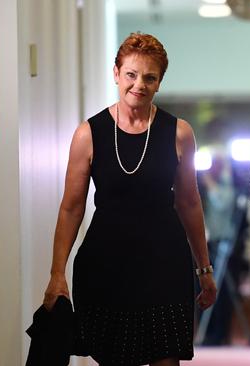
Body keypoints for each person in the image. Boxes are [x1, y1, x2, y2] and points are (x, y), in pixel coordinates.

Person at [42, 32, 217, 366]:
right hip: (106, 265)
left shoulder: (179, 132)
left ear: (159, 82)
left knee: (166, 359)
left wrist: (204, 268)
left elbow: (189, 203)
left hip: (165, 263)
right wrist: (57, 273)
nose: (139, 85)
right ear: (116, 74)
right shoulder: (88, 134)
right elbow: (71, 207)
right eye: (131, 75)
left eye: (150, 78)